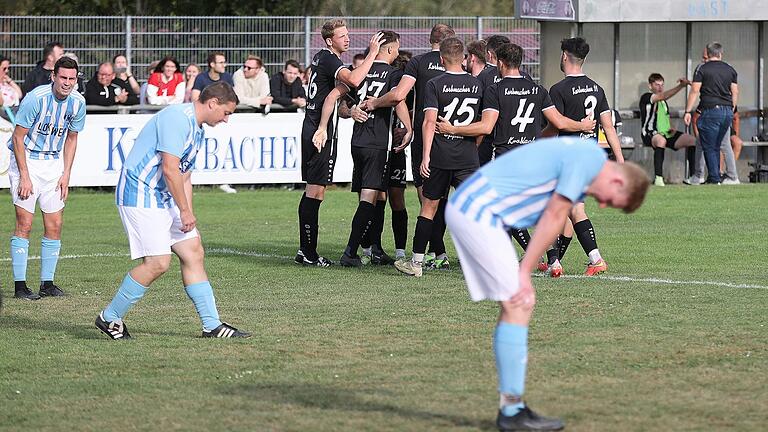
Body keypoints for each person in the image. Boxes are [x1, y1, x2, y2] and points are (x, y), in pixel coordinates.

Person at [445, 137, 649, 432]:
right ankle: (511, 411)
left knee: (518, 305)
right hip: (478, 213)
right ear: (618, 180)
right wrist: (525, 270)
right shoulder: (588, 159)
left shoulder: (586, 157)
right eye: (610, 200)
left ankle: (513, 407)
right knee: (520, 301)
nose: (602, 204)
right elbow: (555, 214)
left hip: (480, 210)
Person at [96, 82, 250, 340]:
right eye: (226, 113)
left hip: (164, 196)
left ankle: (212, 325)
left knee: (193, 251)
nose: (226, 120)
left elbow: (184, 175)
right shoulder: (177, 119)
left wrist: (186, 212)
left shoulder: (198, 129)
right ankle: (110, 317)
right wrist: (184, 210)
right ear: (213, 103)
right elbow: (169, 169)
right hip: (140, 194)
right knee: (158, 263)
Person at [436, 42, 594, 273]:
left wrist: (453, 129)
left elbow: (487, 126)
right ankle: (553, 260)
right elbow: (558, 122)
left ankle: (537, 257)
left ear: (500, 62)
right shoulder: (537, 90)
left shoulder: (495, 90)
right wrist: (582, 124)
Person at [312, 31, 412, 267]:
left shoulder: (360, 72)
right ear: (388, 50)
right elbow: (398, 100)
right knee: (370, 196)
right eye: (396, 48)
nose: (397, 52)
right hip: (378, 142)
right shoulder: (394, 74)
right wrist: (408, 128)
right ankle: (351, 252)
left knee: (375, 195)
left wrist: (353, 110)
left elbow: (342, 107)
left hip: (358, 142)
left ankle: (374, 248)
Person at [361, 23, 455, 270]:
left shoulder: (418, 63)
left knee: (427, 198)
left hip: (426, 135)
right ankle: (442, 252)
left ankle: (431, 254)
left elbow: (398, 95)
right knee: (445, 197)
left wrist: (375, 104)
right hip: (456, 138)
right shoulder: (460, 66)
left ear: (430, 39)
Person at [294, 19, 384, 267]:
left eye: (347, 34)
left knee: (317, 190)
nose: (347, 38)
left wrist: (350, 111)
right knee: (314, 191)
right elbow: (353, 81)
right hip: (317, 132)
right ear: (329, 40)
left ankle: (306, 250)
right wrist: (373, 54)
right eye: (341, 35)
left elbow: (335, 96)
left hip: (316, 128)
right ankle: (308, 253)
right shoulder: (329, 59)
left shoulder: (323, 59)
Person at [394, 37, 482, 277]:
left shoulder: (435, 83)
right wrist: (473, 146)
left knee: (429, 207)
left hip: (441, 156)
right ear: (463, 59)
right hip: (467, 157)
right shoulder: (477, 84)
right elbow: (482, 125)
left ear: (441, 59)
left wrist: (425, 157)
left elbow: (429, 122)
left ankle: (416, 264)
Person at [545, 37, 624, 277]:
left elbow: (556, 126)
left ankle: (593, 258)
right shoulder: (596, 88)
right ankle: (554, 261)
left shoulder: (558, 90)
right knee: (568, 208)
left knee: (564, 209)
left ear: (565, 56)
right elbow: (608, 128)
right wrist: (619, 161)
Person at [8, 57, 86, 300]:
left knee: (55, 225)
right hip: (27, 160)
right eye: (63, 77)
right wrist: (25, 176)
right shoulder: (36, 99)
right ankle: (20, 287)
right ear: (53, 76)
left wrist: (66, 174)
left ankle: (47, 284)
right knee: (25, 223)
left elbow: (72, 138)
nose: (67, 83)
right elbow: (18, 137)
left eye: (72, 79)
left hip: (53, 163)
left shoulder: (78, 102)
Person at [684, 42, 739, 185]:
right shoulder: (730, 69)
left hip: (710, 110)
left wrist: (688, 111)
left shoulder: (702, 68)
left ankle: (714, 178)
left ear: (708, 54)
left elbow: (695, 90)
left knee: (709, 145)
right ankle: (729, 176)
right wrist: (731, 109)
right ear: (721, 54)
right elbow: (735, 91)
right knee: (719, 143)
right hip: (727, 111)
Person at [639, 73, 695, 186]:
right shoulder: (646, 97)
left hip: (666, 132)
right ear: (650, 86)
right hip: (650, 133)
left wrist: (671, 128)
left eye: (662, 85)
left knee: (692, 140)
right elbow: (662, 96)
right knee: (661, 141)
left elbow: (665, 116)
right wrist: (681, 86)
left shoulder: (663, 102)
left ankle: (693, 177)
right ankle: (658, 178)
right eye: (657, 84)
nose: (660, 87)